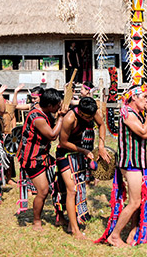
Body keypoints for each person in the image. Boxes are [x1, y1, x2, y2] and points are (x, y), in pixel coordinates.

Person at [98, 84, 147, 247]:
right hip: (132, 163)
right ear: (134, 98)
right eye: (144, 97)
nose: (146, 100)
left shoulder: (136, 113)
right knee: (134, 202)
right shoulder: (128, 113)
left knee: (138, 200)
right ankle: (115, 236)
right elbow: (144, 132)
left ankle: (132, 233)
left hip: (138, 163)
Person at [57, 97, 111, 238]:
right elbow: (62, 142)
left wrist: (101, 145)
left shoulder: (91, 112)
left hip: (80, 154)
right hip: (65, 154)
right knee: (71, 190)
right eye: (88, 117)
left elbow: (101, 125)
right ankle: (75, 230)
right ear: (80, 113)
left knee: (79, 187)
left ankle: (71, 223)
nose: (90, 119)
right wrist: (84, 151)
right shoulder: (70, 119)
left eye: (92, 117)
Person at [18, 88, 67, 230]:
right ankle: (37, 221)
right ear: (50, 106)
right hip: (32, 158)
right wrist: (61, 118)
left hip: (43, 155)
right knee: (43, 191)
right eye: (57, 105)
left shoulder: (45, 111)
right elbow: (52, 135)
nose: (59, 107)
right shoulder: (37, 117)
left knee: (58, 184)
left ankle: (60, 217)